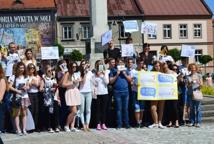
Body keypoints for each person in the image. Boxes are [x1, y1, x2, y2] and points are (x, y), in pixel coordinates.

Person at [8, 62, 30, 135]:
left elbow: (28, 86)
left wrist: (26, 87)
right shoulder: (13, 77)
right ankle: (18, 129)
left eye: (23, 68)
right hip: (16, 97)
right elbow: (9, 87)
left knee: (24, 113)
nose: (22, 69)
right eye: (20, 68)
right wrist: (17, 90)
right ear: (17, 68)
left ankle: (24, 129)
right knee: (16, 114)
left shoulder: (26, 77)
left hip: (25, 97)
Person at [109, 59, 132, 129]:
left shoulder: (126, 70)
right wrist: (117, 74)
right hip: (117, 92)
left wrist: (125, 74)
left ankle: (127, 124)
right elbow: (111, 81)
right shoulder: (113, 70)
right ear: (117, 63)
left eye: (122, 63)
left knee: (125, 108)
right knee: (118, 109)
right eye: (119, 63)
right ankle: (119, 124)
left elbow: (130, 80)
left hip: (125, 91)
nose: (120, 64)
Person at [40, 65, 60, 133]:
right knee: (49, 113)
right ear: (46, 71)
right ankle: (49, 126)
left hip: (54, 97)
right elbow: (41, 89)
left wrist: (58, 97)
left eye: (51, 70)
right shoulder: (44, 78)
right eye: (49, 71)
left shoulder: (54, 78)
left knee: (56, 112)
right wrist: (49, 89)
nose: (50, 72)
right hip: (48, 98)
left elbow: (57, 88)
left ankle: (56, 126)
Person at [62, 61, 81, 132]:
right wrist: (73, 82)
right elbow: (63, 84)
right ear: (70, 67)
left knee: (75, 111)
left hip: (75, 91)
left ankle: (72, 126)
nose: (74, 68)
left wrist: (78, 81)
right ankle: (66, 125)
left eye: (75, 66)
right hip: (70, 92)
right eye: (73, 66)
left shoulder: (75, 74)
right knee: (74, 111)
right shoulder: (67, 73)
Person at [148, 61, 165, 129]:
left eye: (158, 66)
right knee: (153, 107)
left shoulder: (163, 74)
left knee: (161, 108)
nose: (157, 67)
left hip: (162, 92)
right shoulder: (151, 73)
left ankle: (160, 122)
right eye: (156, 66)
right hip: (154, 92)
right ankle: (155, 122)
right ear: (154, 67)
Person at [163, 62, 180, 128]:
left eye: (165, 64)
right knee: (169, 107)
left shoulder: (174, 73)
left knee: (174, 107)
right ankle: (170, 121)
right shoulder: (164, 73)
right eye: (173, 69)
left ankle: (176, 121)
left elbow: (177, 83)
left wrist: (178, 79)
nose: (174, 70)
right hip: (167, 92)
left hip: (173, 92)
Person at [79, 60, 94, 131]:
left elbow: (93, 82)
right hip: (81, 92)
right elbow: (83, 81)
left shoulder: (90, 73)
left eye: (85, 64)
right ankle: (83, 125)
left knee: (88, 109)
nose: (84, 65)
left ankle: (87, 124)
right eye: (83, 64)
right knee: (81, 110)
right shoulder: (79, 73)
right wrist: (84, 72)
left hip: (89, 92)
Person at [94, 60, 109, 130]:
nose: (100, 65)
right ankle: (98, 123)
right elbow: (93, 82)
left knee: (104, 109)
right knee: (98, 110)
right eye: (98, 64)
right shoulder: (94, 73)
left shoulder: (106, 72)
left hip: (104, 93)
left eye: (101, 64)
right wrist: (97, 75)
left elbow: (107, 82)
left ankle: (103, 123)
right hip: (97, 93)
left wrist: (103, 75)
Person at [131, 58, 145, 128]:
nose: (141, 65)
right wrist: (134, 83)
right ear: (137, 63)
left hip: (142, 92)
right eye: (140, 63)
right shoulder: (133, 71)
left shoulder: (144, 71)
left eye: (142, 63)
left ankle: (141, 121)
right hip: (135, 91)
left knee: (142, 107)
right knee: (136, 107)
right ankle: (137, 122)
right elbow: (131, 81)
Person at [27, 63, 41, 131]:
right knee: (31, 110)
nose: (32, 69)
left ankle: (35, 126)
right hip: (29, 94)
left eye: (33, 68)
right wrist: (31, 83)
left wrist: (33, 83)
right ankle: (31, 127)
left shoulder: (37, 76)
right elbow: (27, 86)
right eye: (30, 68)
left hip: (36, 93)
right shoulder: (27, 77)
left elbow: (38, 84)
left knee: (36, 110)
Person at [0, 64, 7, 133]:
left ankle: (1, 129)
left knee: (1, 116)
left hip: (1, 103)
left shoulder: (2, 80)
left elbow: (1, 96)